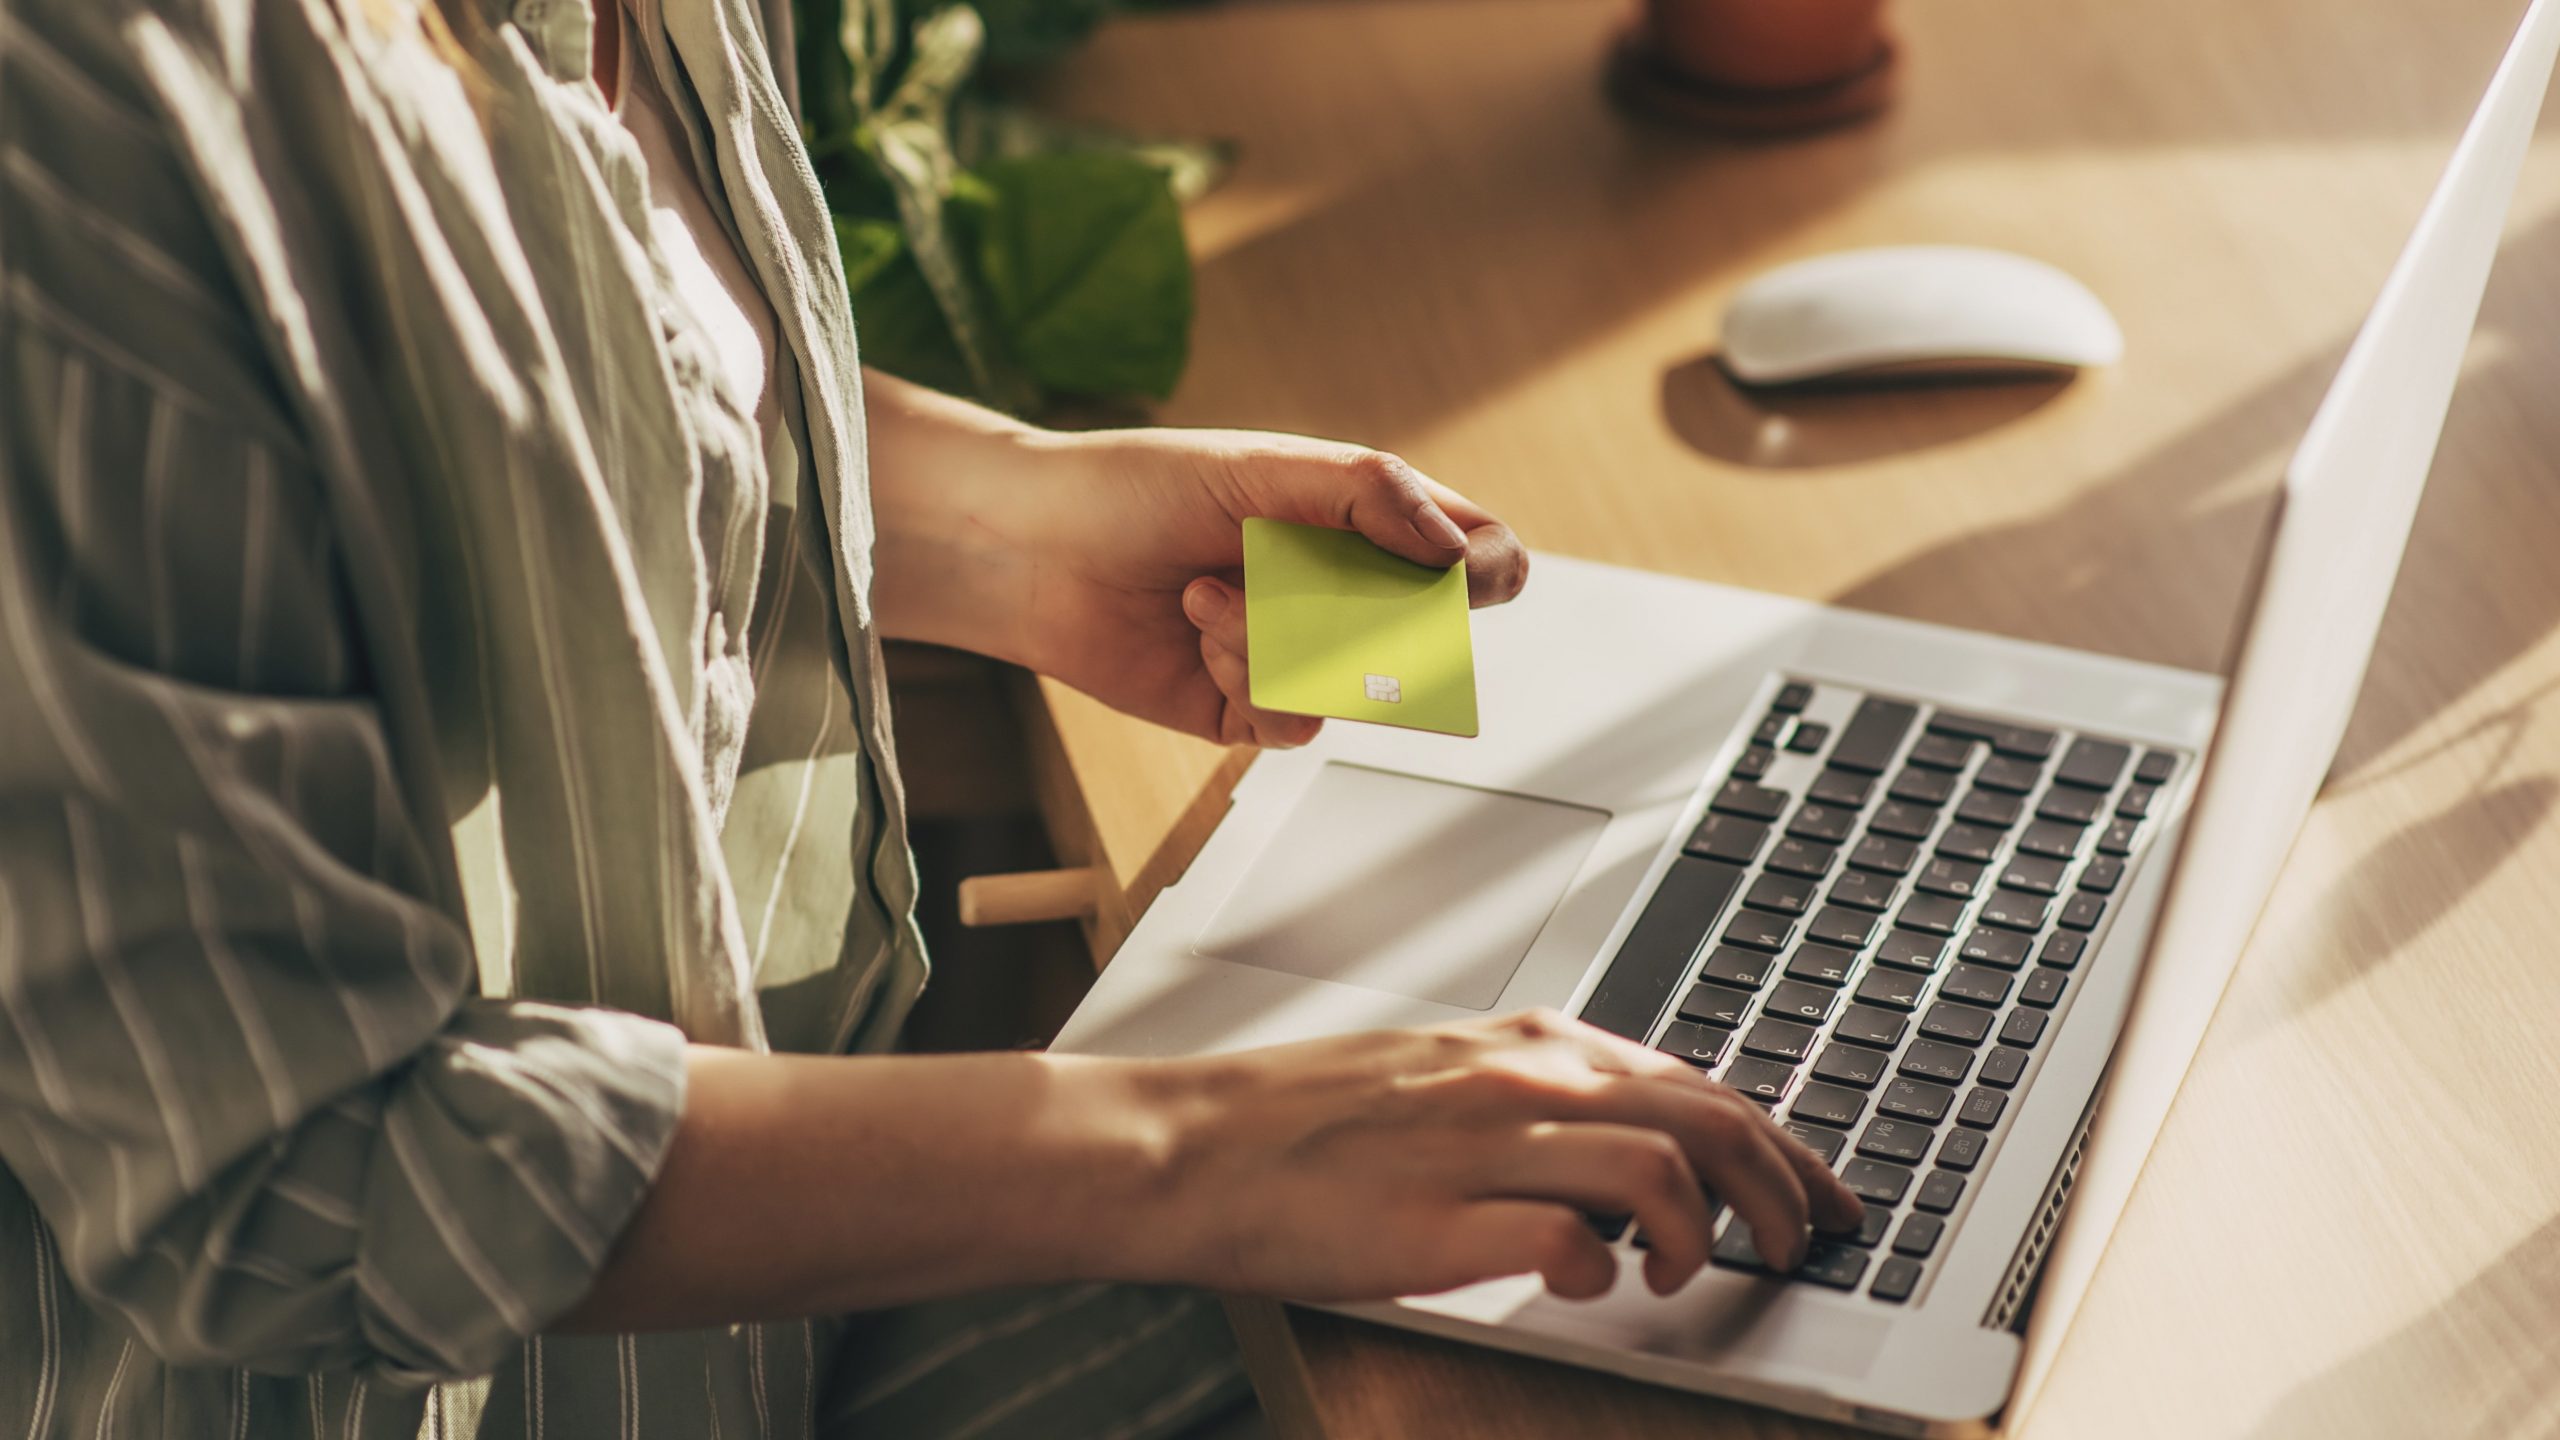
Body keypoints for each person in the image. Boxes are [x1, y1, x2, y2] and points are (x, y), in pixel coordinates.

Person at [0, 0, 1863, 1434]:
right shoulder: (81, 113)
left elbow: (568, 371)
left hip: (755, 1353)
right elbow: (278, 1172)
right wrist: (1198, 1152)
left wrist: (1010, 530)